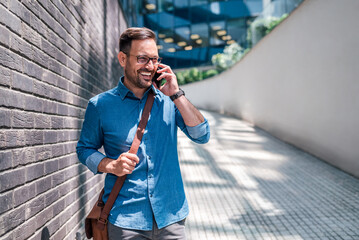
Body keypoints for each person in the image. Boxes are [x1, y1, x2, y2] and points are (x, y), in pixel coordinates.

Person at [76, 27, 210, 239]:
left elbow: (202, 135)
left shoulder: (169, 99)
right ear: (122, 59)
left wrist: (177, 94)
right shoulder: (100, 105)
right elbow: (84, 149)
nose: (150, 66)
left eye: (154, 59)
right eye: (142, 58)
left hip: (171, 217)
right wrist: (110, 165)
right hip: (125, 220)